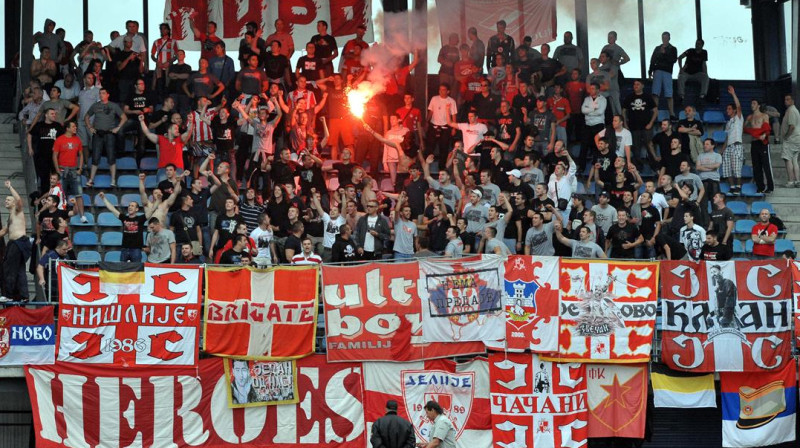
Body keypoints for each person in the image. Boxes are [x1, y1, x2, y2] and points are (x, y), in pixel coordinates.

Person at [0, 181, 32, 302]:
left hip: (18, 242)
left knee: (8, 268)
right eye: (6, 200)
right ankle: (24, 296)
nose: (6, 201)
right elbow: (4, 231)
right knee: (19, 270)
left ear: (13, 203)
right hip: (18, 244)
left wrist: (10, 187)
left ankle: (8, 295)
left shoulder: (17, 211)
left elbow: (19, 200)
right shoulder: (11, 216)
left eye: (8, 200)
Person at [51, 121, 87, 222]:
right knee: (63, 194)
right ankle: (62, 216)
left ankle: (82, 216)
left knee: (79, 194)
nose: (75, 128)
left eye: (75, 126)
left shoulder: (77, 139)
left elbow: (81, 154)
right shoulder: (59, 140)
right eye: (73, 126)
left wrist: (80, 168)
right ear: (67, 128)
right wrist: (57, 169)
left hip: (74, 171)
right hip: (63, 170)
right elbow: (54, 155)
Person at [745, 99, 774, 193]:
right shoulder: (750, 117)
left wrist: (764, 135)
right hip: (754, 143)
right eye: (751, 103)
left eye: (754, 103)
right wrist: (753, 132)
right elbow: (743, 128)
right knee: (756, 166)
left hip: (762, 143)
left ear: (758, 105)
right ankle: (760, 187)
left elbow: (767, 128)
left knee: (766, 165)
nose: (752, 105)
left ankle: (770, 187)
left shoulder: (764, 115)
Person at [648, 31, 678, 119]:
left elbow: (673, 60)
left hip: (667, 71)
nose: (664, 39)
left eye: (666, 38)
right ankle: (655, 113)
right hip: (657, 71)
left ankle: (672, 114)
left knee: (669, 94)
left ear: (669, 38)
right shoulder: (657, 48)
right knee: (655, 93)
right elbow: (653, 60)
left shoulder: (673, 49)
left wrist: (664, 53)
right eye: (663, 38)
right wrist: (650, 71)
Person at [722, 86, 744, 195]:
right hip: (729, 146)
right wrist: (722, 150)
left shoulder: (738, 118)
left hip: (736, 145)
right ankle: (732, 186)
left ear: (734, 110)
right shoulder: (728, 123)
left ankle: (738, 187)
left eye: (729, 109)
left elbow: (739, 106)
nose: (727, 111)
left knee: (736, 168)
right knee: (727, 168)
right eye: (727, 109)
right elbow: (727, 138)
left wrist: (733, 94)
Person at [781, 94, 800, 187]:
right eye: (785, 99)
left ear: (792, 100)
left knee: (787, 159)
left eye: (788, 99)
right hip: (796, 138)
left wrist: (786, 136)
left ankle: (791, 181)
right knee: (794, 160)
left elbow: (791, 126)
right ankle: (797, 180)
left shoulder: (791, 110)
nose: (786, 101)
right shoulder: (794, 110)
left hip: (791, 139)